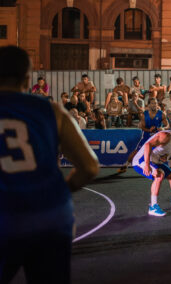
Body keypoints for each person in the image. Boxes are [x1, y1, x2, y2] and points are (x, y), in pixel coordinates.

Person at [0, 45, 99, 284]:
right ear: (27, 77)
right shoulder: (51, 110)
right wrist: (64, 189)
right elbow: (89, 167)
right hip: (50, 217)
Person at [132, 119, 171, 216]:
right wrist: (147, 165)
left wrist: (164, 157)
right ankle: (153, 206)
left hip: (154, 160)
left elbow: (160, 152)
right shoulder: (166, 135)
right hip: (141, 160)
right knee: (159, 174)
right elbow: (148, 145)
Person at [118, 98, 168, 173]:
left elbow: (167, 125)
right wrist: (149, 130)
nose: (154, 105)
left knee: (162, 152)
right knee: (137, 151)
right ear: (148, 105)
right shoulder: (144, 115)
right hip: (146, 137)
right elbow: (142, 127)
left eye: (155, 103)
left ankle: (167, 167)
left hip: (157, 138)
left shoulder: (161, 114)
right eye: (152, 103)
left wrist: (163, 128)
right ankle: (125, 165)